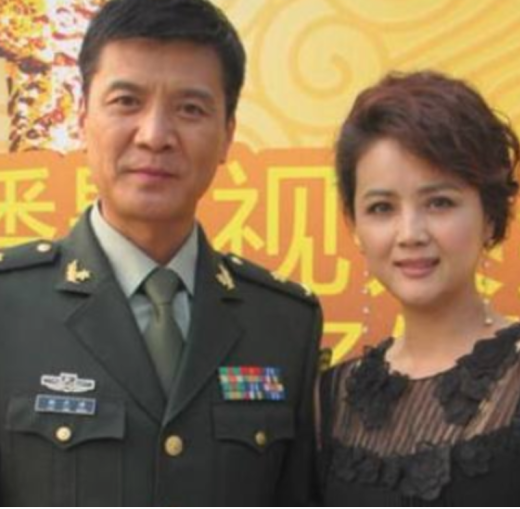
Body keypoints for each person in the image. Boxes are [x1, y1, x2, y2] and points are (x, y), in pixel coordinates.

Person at [0, 0, 322, 505]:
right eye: (127, 101)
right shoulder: (9, 304)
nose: (154, 136)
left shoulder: (284, 323)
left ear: (227, 135)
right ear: (83, 117)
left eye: (190, 109)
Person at [318, 70, 520, 506]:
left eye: (439, 203)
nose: (410, 233)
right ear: (355, 225)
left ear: (489, 215)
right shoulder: (331, 397)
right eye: (381, 208)